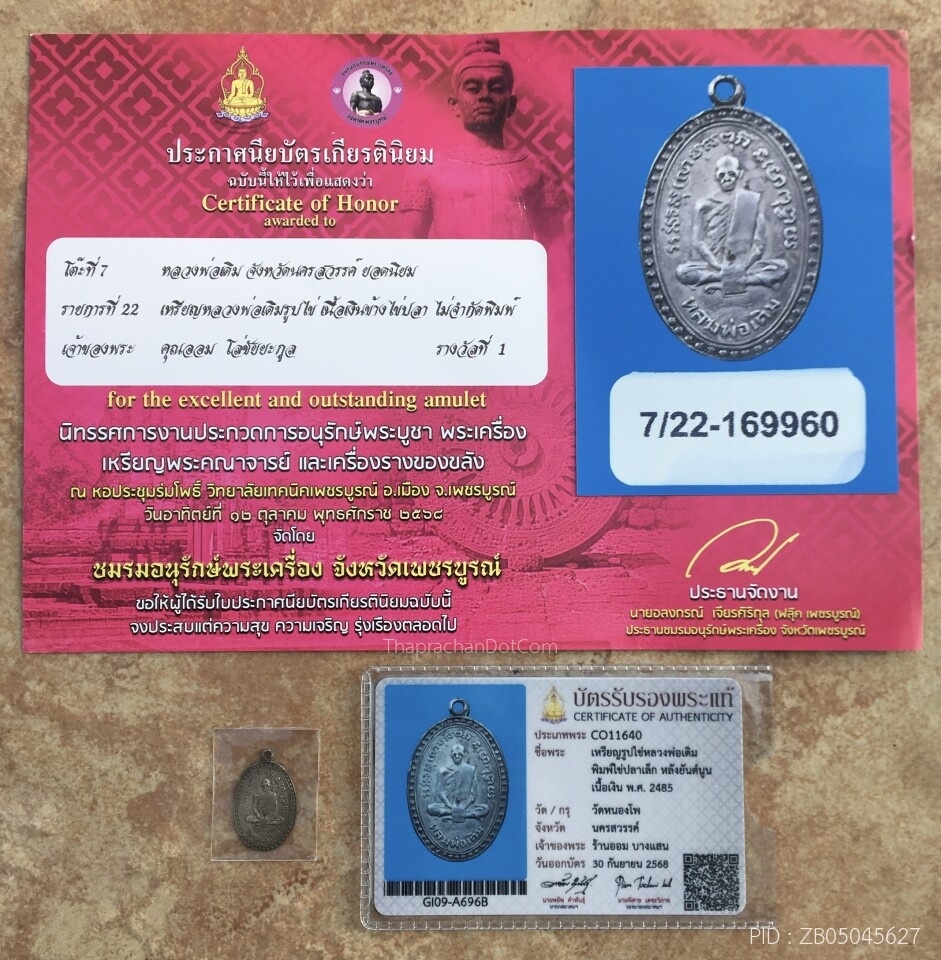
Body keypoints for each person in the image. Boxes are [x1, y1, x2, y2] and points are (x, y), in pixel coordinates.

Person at [401, 37, 562, 242]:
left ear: (511, 104)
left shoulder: (537, 171)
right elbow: (409, 245)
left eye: (496, 88)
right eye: (473, 88)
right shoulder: (427, 170)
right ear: (454, 104)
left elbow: (556, 246)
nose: (484, 96)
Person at [676, 154, 788, 295]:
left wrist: (743, 266)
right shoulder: (704, 204)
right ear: (716, 176)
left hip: (745, 264)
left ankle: (727, 279)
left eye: (731, 174)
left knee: (781, 268)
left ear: (739, 174)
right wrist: (718, 265)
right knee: (682, 272)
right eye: (722, 175)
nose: (727, 178)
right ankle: (742, 280)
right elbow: (698, 242)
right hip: (716, 265)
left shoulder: (750, 200)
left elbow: (759, 244)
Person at [427, 741, 489, 822]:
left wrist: (463, 807)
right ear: (451, 755)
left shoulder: (470, 769)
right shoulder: (443, 771)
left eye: (460, 754)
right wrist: (450, 806)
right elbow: (440, 792)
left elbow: (473, 794)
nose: (457, 756)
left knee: (485, 809)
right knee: (430, 808)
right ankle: (464, 815)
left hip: (466, 806)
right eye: (454, 754)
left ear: (463, 755)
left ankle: (450, 815)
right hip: (449, 806)